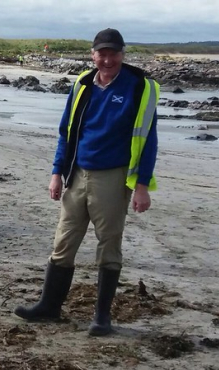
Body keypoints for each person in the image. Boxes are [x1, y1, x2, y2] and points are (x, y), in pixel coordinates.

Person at [14, 28, 160, 337]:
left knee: (109, 246)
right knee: (63, 242)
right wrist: (57, 173)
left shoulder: (139, 88)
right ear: (92, 55)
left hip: (114, 176)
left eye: (113, 53)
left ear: (123, 54)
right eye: (101, 53)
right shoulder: (81, 85)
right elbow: (66, 132)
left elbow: (149, 141)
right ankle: (49, 307)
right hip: (78, 174)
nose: (107, 60)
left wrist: (143, 185)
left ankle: (102, 317)